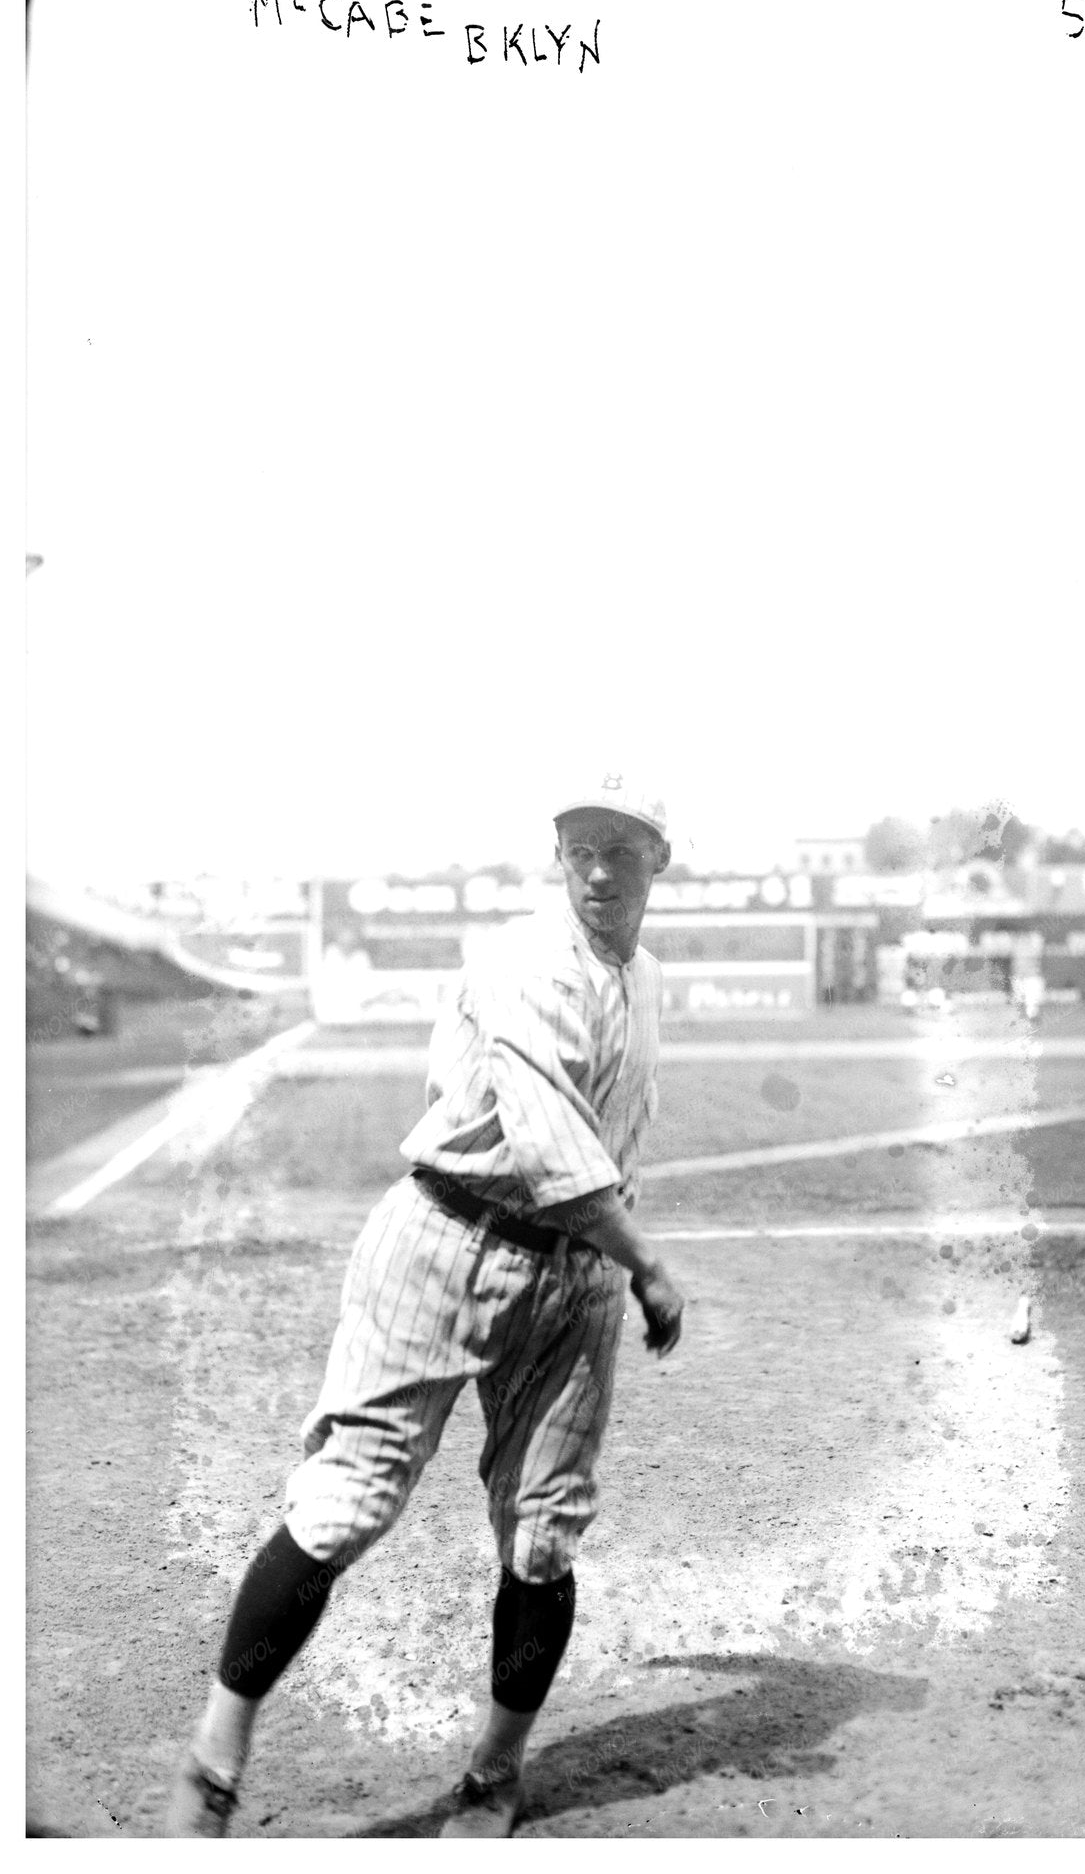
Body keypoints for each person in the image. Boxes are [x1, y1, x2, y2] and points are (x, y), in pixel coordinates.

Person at [163, 773, 686, 1839]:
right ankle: (217, 1754)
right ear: (556, 851)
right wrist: (650, 1265)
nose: (597, 867)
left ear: (656, 863)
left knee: (543, 1537)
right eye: (580, 843)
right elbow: (556, 1156)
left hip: (569, 1275)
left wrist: (605, 1263)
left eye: (621, 849)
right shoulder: (525, 957)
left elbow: (600, 1159)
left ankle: (494, 1776)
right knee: (346, 1501)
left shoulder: (646, 979)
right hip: (443, 1243)